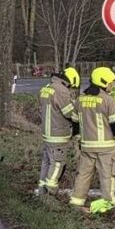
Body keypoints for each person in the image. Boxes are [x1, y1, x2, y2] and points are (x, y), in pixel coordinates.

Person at [69, 67, 115, 213]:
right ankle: (107, 205)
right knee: (108, 176)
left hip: (86, 146)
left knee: (83, 174)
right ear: (104, 82)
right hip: (106, 148)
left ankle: (76, 202)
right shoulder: (108, 101)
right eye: (111, 83)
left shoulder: (80, 99)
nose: (112, 85)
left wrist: (79, 140)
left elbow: (75, 124)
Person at [37, 67, 80, 195]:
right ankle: (50, 191)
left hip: (47, 132)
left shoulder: (46, 88)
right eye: (71, 87)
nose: (71, 89)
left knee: (46, 162)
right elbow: (69, 113)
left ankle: (42, 190)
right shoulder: (61, 91)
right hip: (58, 134)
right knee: (57, 163)